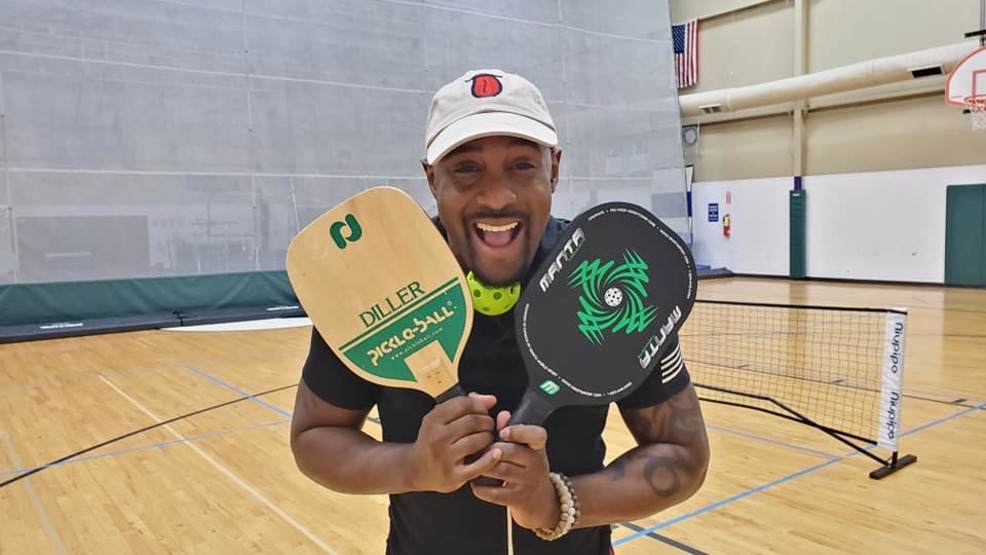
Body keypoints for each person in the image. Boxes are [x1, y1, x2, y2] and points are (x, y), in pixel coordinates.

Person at [290, 68, 710, 555]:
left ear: (554, 168)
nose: (496, 195)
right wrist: (413, 467)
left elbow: (683, 455)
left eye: (521, 166)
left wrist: (556, 502)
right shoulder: (379, 278)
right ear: (432, 178)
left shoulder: (608, 272)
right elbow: (314, 437)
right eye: (466, 168)